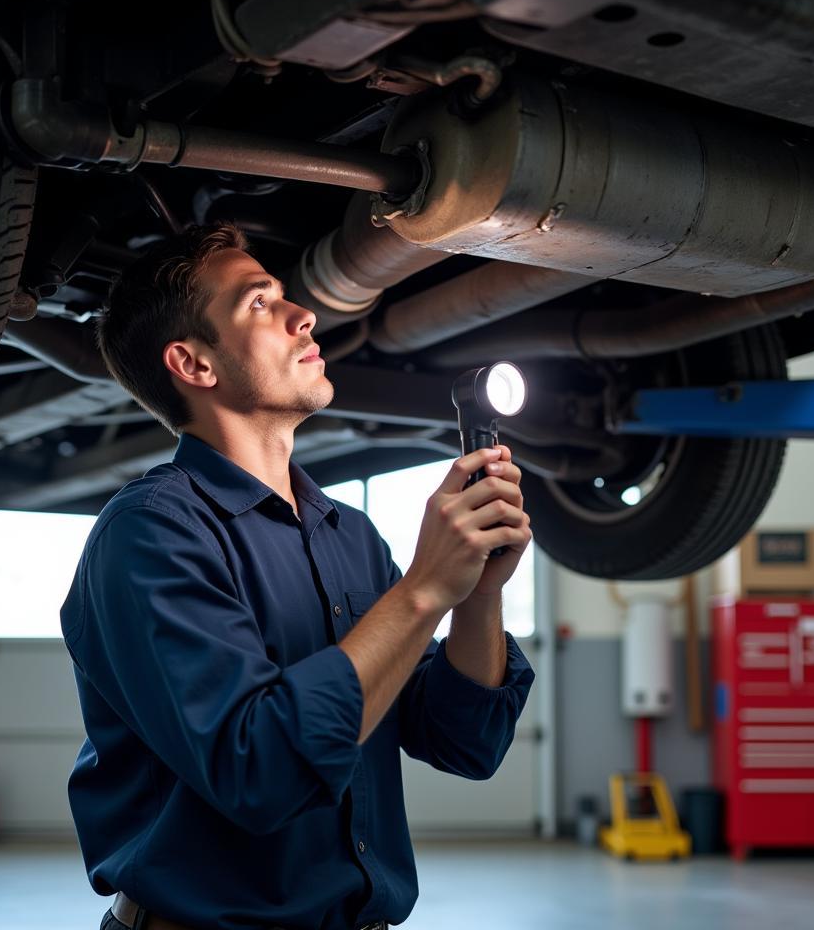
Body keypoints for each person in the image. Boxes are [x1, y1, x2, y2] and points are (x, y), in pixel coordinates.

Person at [60, 222, 535, 930]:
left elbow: (461, 740)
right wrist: (424, 591)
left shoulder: (348, 535)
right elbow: (261, 772)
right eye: (258, 304)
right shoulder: (151, 535)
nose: (301, 314)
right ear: (194, 364)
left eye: (284, 296)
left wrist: (477, 597)